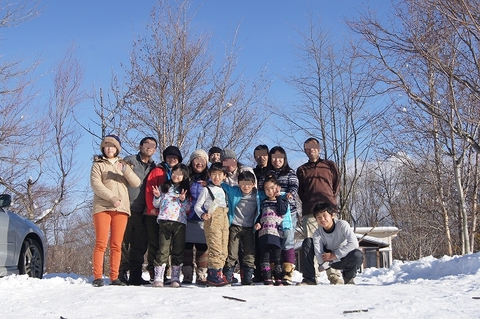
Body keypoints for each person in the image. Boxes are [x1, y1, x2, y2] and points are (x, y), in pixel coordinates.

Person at [90, 135, 141, 287]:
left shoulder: (124, 164)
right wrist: (112, 198)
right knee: (101, 243)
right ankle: (98, 276)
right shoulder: (98, 165)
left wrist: (125, 170)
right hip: (102, 207)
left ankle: (114, 277)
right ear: (103, 149)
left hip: (121, 208)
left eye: (112, 146)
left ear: (117, 148)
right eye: (106, 146)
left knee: (117, 244)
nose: (109, 148)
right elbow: (96, 185)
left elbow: (136, 182)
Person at [297, 137, 341, 285]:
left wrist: (331, 204)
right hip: (310, 212)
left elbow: (336, 185)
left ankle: (334, 276)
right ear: (305, 150)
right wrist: (309, 203)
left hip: (328, 210)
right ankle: (310, 277)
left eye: (314, 147)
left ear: (319, 149)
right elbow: (301, 191)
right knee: (310, 244)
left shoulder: (329, 165)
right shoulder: (302, 170)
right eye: (308, 147)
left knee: (331, 243)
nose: (311, 150)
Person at [119, 137, 157, 286]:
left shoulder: (155, 167)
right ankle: (121, 273)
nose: (149, 147)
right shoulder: (130, 161)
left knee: (139, 245)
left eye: (152, 145)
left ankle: (135, 275)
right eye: (146, 144)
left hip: (144, 211)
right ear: (140, 146)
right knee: (122, 243)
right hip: (126, 209)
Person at [145, 145, 183, 281]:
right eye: (169, 157)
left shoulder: (181, 173)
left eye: (175, 157)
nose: (172, 159)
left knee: (170, 246)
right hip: (155, 213)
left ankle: (168, 273)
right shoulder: (158, 171)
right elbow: (150, 190)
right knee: (157, 244)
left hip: (174, 217)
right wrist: (151, 207)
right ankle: (154, 272)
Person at [151, 163, 191, 288]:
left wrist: (183, 199)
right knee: (163, 249)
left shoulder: (185, 190)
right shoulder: (164, 187)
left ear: (184, 176)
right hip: (165, 221)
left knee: (178, 250)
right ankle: (159, 277)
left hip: (179, 223)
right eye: (175, 173)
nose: (176, 176)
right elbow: (157, 204)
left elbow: (187, 208)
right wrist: (157, 196)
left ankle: (175, 277)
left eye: (180, 174)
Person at [266, 146, 300, 285]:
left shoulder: (290, 173)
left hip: (288, 212)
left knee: (287, 239)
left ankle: (287, 271)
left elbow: (294, 187)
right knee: (274, 241)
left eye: (280, 158)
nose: (277, 160)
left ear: (284, 158)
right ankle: (275, 271)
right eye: (274, 158)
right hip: (271, 211)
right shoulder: (268, 174)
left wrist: (288, 195)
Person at [221, 171, 261, 285]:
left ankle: (248, 277)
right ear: (238, 184)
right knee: (232, 252)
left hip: (249, 228)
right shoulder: (234, 191)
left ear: (253, 184)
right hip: (235, 226)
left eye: (249, 184)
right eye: (243, 184)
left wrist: (283, 194)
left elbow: (271, 193)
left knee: (249, 252)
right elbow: (222, 184)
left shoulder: (257, 194)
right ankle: (228, 276)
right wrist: (207, 182)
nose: (246, 187)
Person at [194, 163, 229, 286]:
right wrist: (202, 214)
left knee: (224, 247)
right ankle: (213, 275)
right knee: (215, 246)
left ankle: (219, 272)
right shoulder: (206, 189)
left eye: (220, 174)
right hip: (212, 220)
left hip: (224, 220)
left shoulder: (224, 190)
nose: (217, 177)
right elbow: (197, 206)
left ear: (224, 176)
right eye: (214, 174)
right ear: (209, 175)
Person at [310, 203, 363, 284]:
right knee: (308, 242)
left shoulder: (342, 225)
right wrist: (328, 260)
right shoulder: (317, 233)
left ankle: (348, 278)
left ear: (332, 215)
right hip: (331, 263)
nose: (322, 219)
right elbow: (319, 256)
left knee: (357, 255)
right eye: (319, 217)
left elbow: (354, 244)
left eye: (324, 215)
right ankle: (310, 279)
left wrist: (334, 255)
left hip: (344, 258)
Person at [254, 174, 289, 286]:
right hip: (264, 232)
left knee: (277, 256)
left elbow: (282, 211)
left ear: (278, 188)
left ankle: (278, 278)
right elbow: (259, 215)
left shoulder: (282, 201)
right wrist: (257, 223)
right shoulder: (263, 202)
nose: (269, 191)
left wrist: (279, 197)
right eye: (266, 189)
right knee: (265, 256)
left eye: (272, 188)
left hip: (276, 233)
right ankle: (267, 278)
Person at [184, 149, 210, 285]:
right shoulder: (185, 176)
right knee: (186, 247)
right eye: (196, 160)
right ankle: (187, 275)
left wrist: (210, 184)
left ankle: (201, 275)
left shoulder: (210, 178)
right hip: (187, 216)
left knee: (202, 247)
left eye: (202, 160)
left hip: (203, 218)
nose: (199, 163)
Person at [252, 144, 269, 282]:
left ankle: (274, 271)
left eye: (263, 154)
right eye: (257, 155)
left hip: (271, 209)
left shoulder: (273, 171)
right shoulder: (252, 172)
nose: (261, 157)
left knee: (271, 240)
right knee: (256, 241)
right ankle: (258, 272)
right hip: (256, 209)